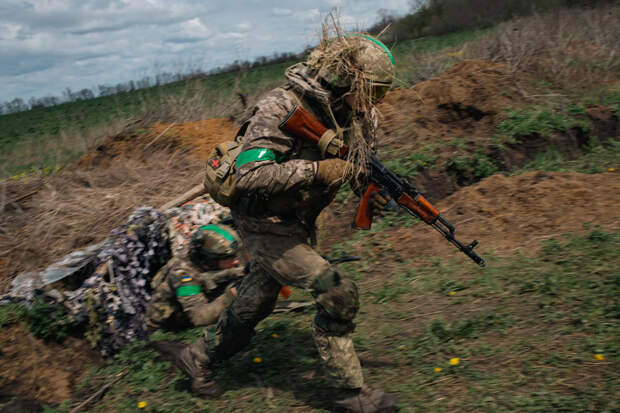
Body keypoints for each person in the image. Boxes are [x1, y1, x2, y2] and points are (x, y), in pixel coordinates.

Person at [178, 31, 398, 412]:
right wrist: (317, 170)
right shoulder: (281, 108)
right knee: (337, 289)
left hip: (297, 223)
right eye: (371, 92)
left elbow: (357, 166)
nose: (373, 103)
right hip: (263, 224)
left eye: (378, 95)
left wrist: (370, 192)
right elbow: (249, 176)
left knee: (253, 303)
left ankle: (198, 358)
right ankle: (350, 393)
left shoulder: (355, 117)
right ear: (345, 79)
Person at [145, 223, 245, 331]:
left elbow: (216, 275)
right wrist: (232, 294)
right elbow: (199, 317)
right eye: (228, 258)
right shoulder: (183, 274)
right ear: (210, 259)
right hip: (173, 323)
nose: (236, 261)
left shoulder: (202, 258)